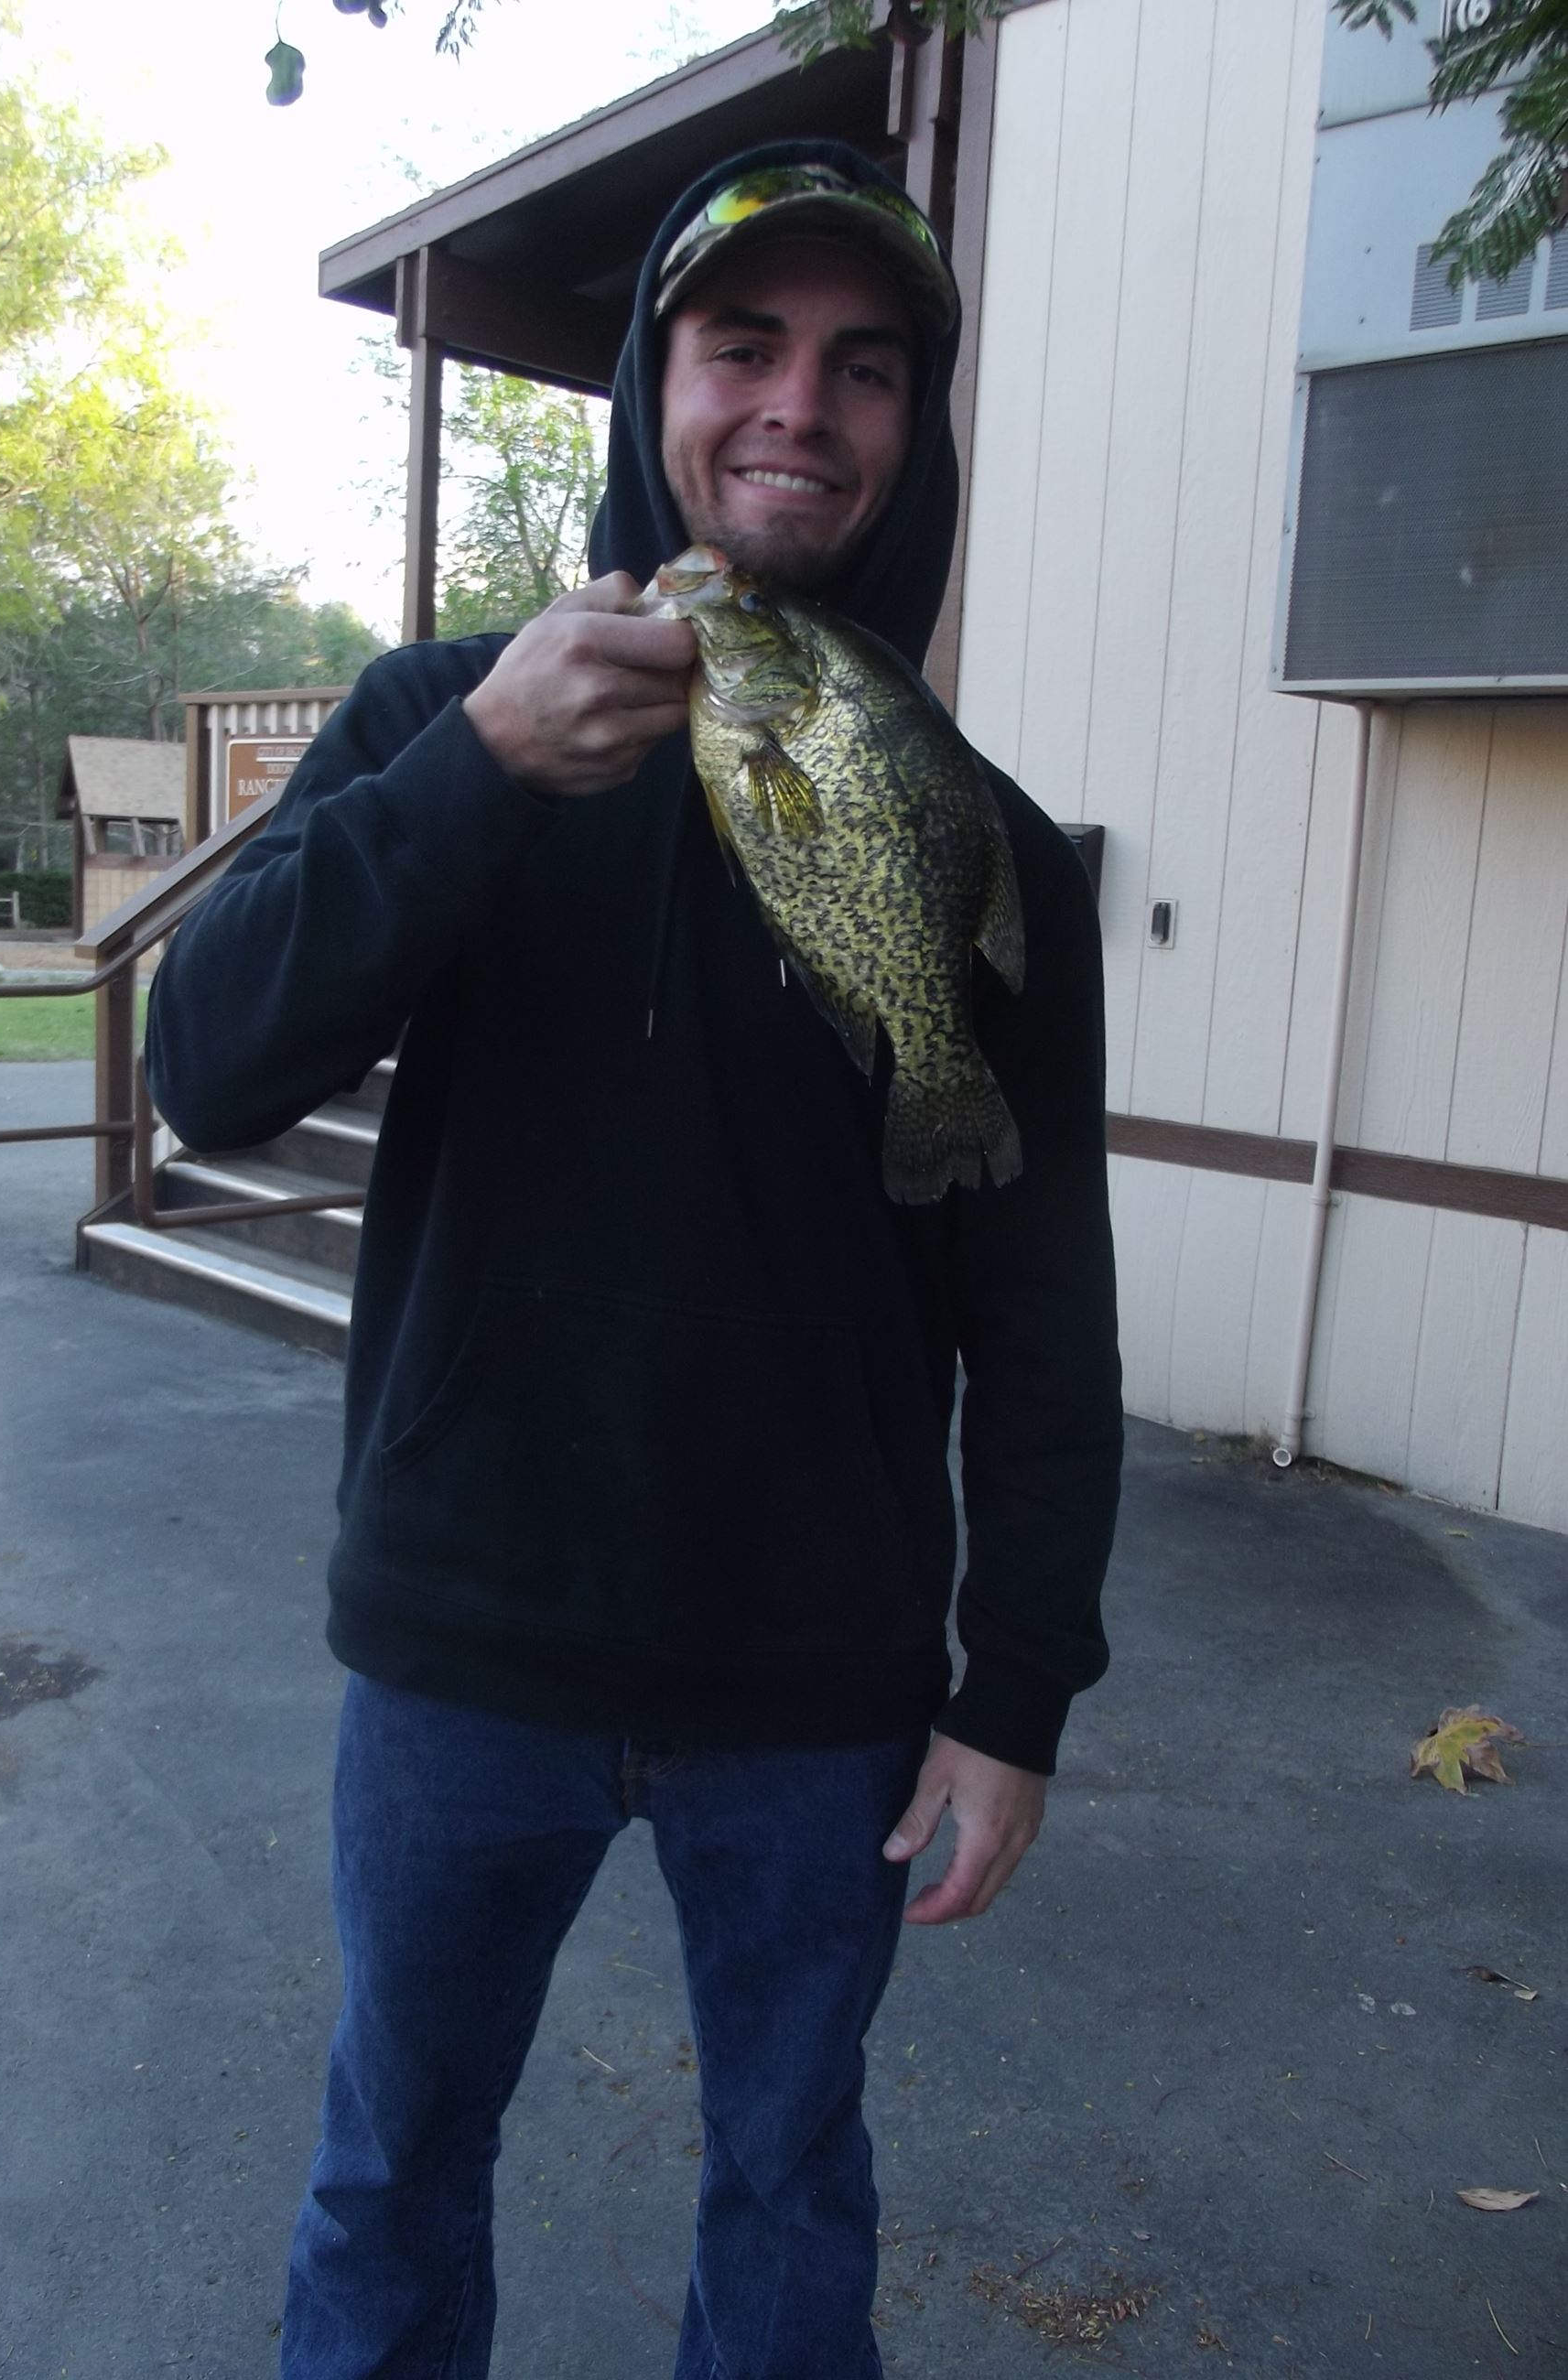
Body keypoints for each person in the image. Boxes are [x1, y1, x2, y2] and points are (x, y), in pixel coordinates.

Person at [146, 140, 1122, 2380]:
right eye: (744, 346)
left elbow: (1044, 1307)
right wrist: (479, 775)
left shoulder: (982, 842)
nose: (802, 406)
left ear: (918, 427)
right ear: (649, 387)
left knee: (790, 2186)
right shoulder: (437, 721)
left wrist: (1015, 1691)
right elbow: (205, 1067)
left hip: (823, 1688)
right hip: (464, 1651)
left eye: (867, 368)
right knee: (394, 2164)